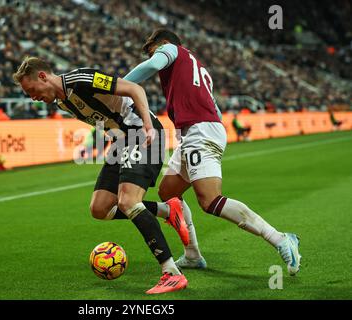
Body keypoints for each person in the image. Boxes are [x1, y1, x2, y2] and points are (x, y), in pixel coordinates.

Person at [124, 29, 302, 276]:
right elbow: (215, 109)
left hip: (199, 130)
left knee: (209, 200)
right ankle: (193, 255)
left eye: (152, 47)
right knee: (168, 192)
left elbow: (154, 64)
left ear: (163, 43)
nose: (153, 53)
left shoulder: (172, 50)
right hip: (196, 130)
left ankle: (281, 238)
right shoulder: (197, 68)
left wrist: (120, 85)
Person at [12, 56, 190, 294]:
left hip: (142, 132)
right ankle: (167, 210)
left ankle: (171, 273)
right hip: (122, 142)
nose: (32, 96)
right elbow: (104, 116)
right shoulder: (63, 103)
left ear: (43, 76)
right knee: (100, 208)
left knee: (128, 201)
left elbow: (134, 89)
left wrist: (147, 125)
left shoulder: (81, 80)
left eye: (31, 90)